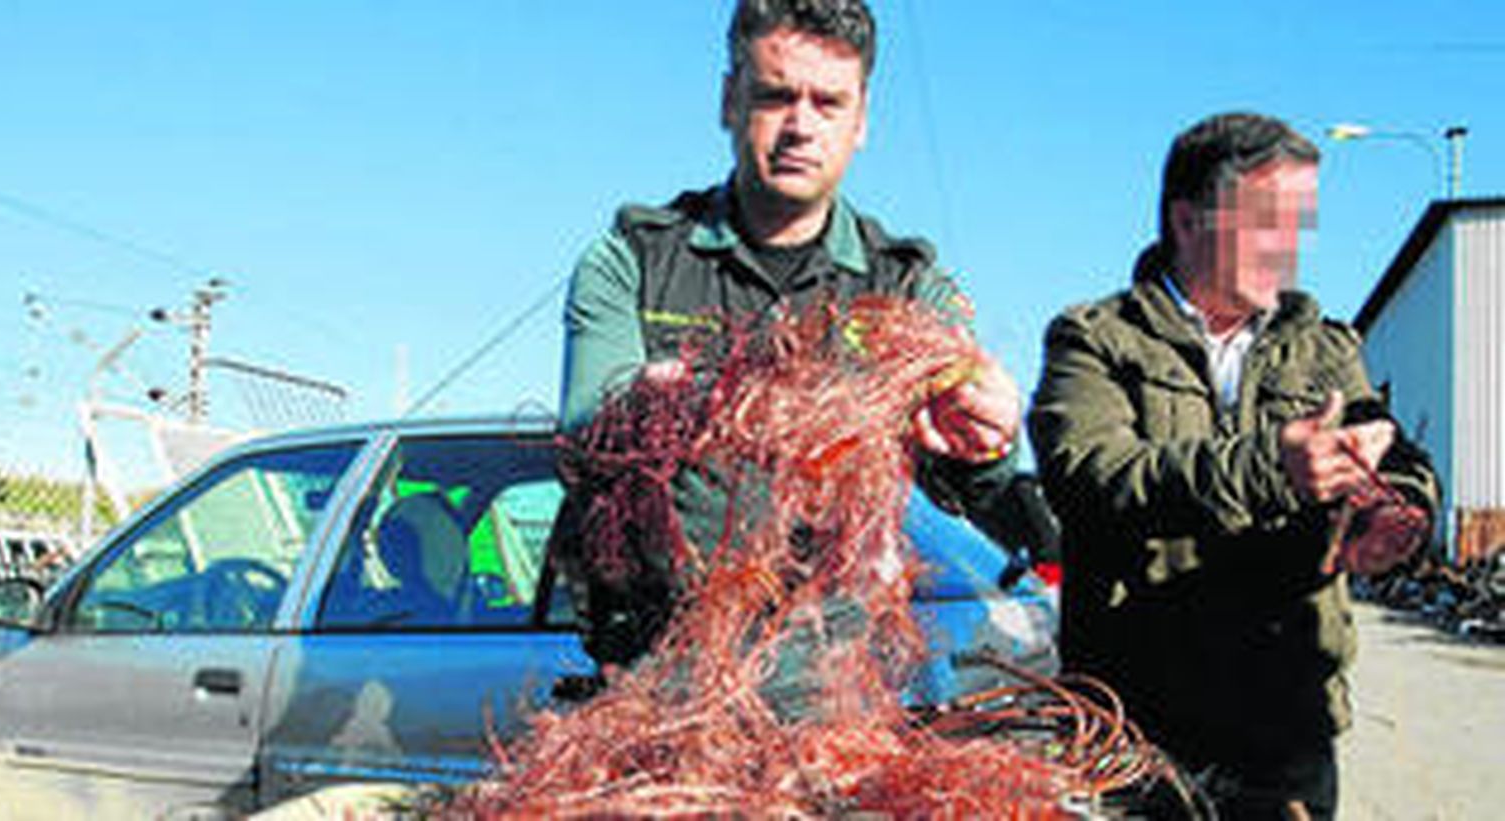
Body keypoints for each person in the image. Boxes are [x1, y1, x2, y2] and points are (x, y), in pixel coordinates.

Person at [558, 0, 1033, 672]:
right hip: (656, 674)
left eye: (828, 103)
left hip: (833, 683)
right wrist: (654, 407)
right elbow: (584, 434)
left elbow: (981, 487)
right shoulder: (632, 259)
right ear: (729, 100)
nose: (800, 127)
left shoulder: (906, 285)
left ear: (862, 119)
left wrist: (990, 437)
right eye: (775, 96)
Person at [1028, 112, 1440, 818]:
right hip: (1135, 733)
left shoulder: (1325, 349)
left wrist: (1397, 507)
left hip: (1286, 730)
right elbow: (1092, 474)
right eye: (1267, 222)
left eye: (1299, 223)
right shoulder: (1095, 338)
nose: (1291, 248)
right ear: (1188, 222)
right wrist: (1271, 465)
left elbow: (1387, 445)